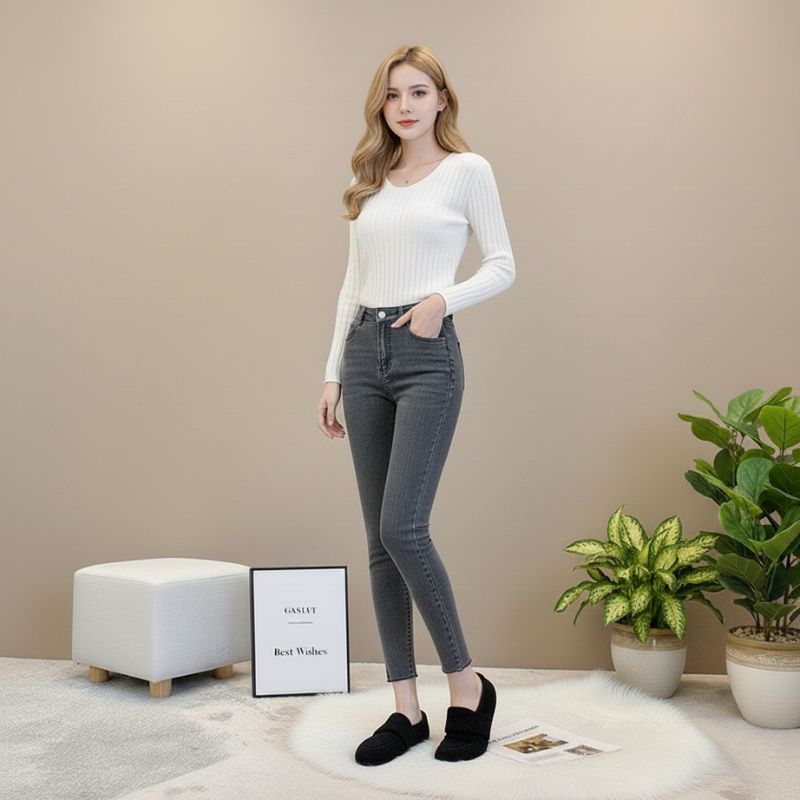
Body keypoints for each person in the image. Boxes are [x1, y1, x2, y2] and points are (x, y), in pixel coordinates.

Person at [315, 45, 514, 766]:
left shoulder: (468, 171)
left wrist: (441, 300)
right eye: (393, 94)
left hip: (428, 353)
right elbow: (349, 283)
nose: (405, 105)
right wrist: (333, 373)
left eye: (419, 92)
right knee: (377, 541)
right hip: (365, 354)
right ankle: (406, 709)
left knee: (405, 525)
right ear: (382, 106)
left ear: (441, 100)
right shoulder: (367, 180)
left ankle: (467, 685)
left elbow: (502, 263)